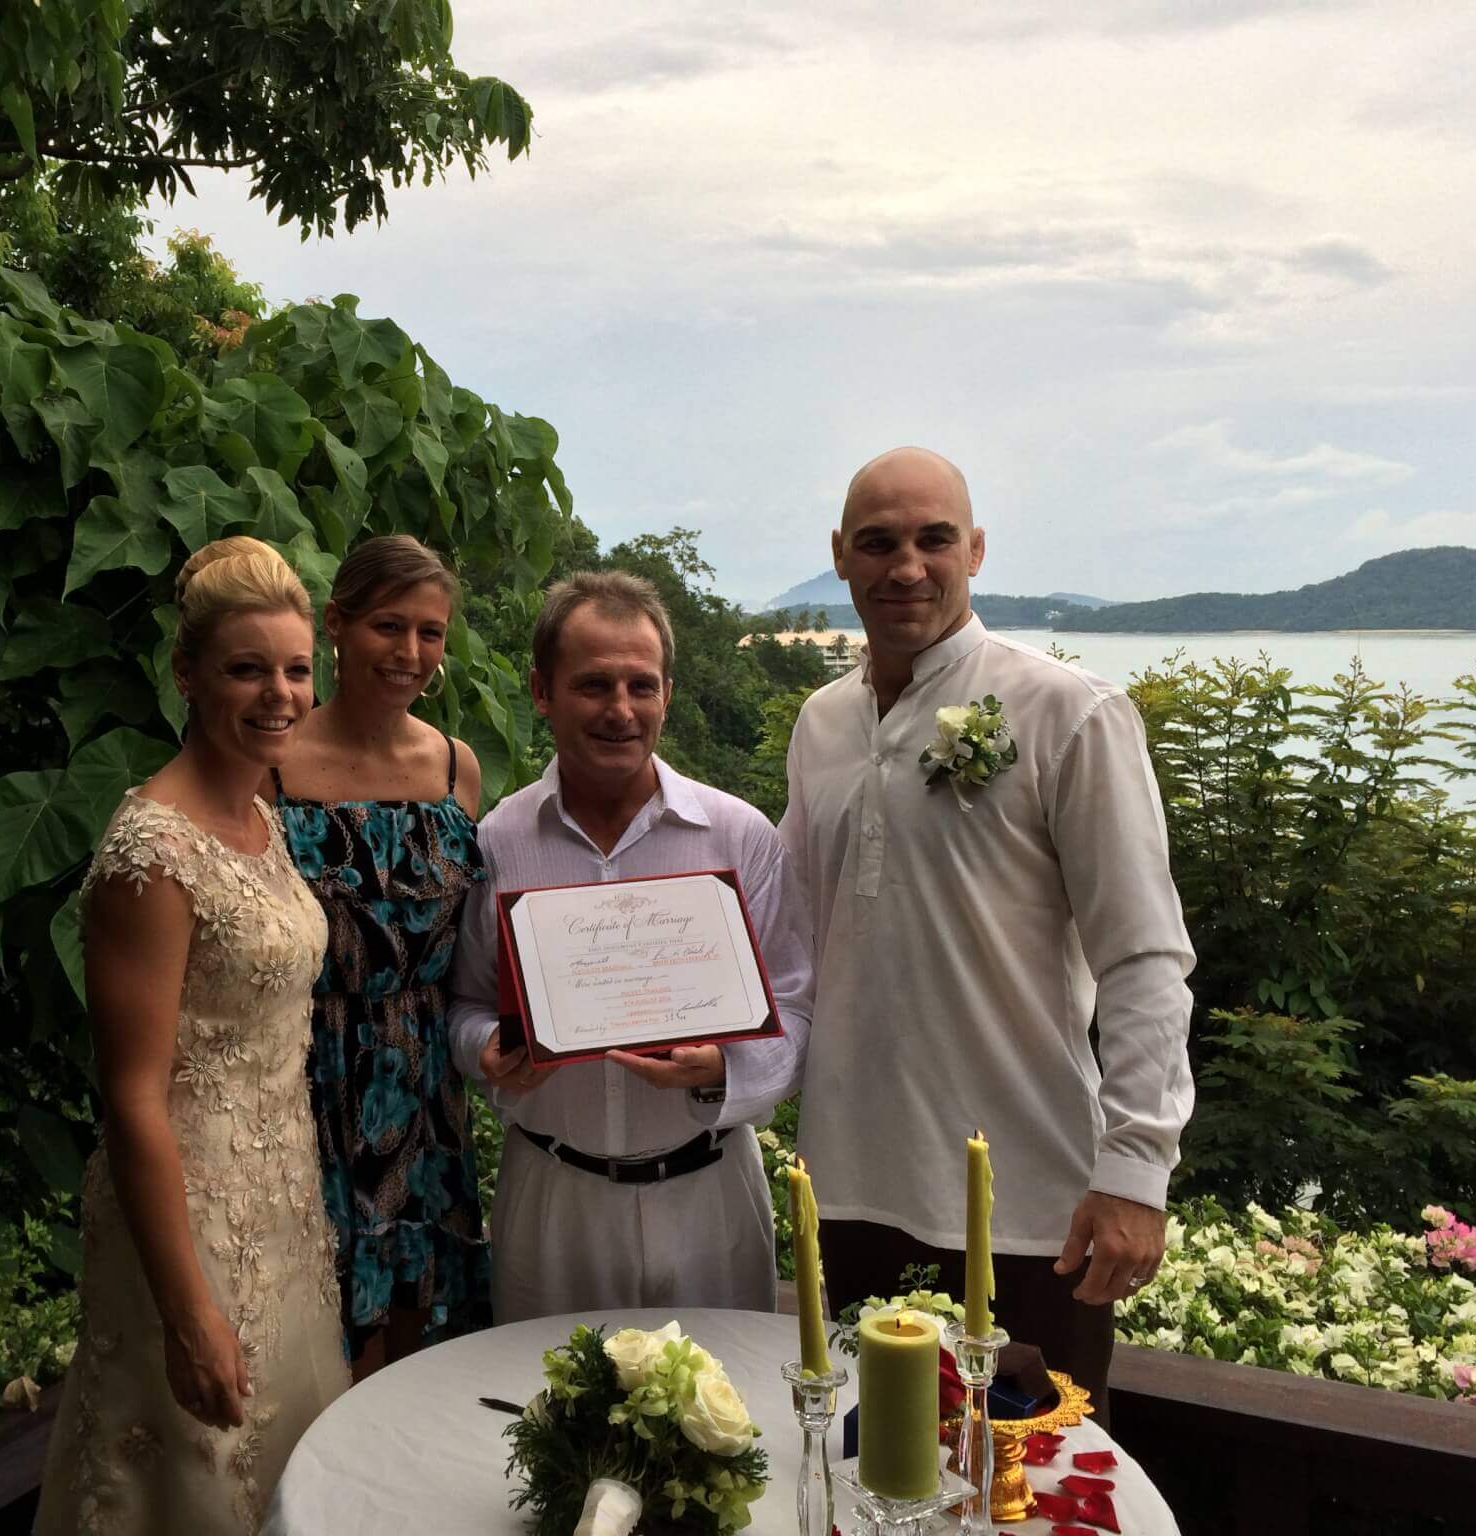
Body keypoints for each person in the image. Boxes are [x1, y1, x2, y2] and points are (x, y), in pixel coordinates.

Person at [779, 447, 1196, 1415]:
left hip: (1029, 1205)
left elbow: (1143, 956)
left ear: (974, 549)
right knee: (865, 1468)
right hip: (847, 1192)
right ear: (839, 555)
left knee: (1034, 1479)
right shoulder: (820, 724)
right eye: (877, 543)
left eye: (933, 540)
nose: (906, 567)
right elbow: (791, 937)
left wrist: (1136, 1168)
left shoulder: (1068, 713)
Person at [35, 537, 349, 1536]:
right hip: (189, 1223)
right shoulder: (153, 853)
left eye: (295, 669)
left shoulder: (260, 815)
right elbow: (131, 1096)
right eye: (247, 669)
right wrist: (186, 1314)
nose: (279, 694)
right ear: (186, 673)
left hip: (282, 1201)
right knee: (190, 1475)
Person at [448, 571, 813, 1321]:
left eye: (641, 685)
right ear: (542, 691)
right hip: (553, 1203)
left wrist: (725, 1069)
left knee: (725, 1394)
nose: (620, 709)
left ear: (667, 695)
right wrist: (484, 1048)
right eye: (593, 685)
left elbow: (797, 1007)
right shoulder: (499, 841)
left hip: (710, 1200)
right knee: (539, 1391)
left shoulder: (739, 836)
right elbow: (465, 1003)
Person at [270, 535, 494, 1378]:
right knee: (322, 1323)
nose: (410, 652)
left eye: (430, 632)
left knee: (421, 1317)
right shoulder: (272, 763)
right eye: (388, 626)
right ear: (336, 624)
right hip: (310, 1071)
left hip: (425, 1078)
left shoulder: (455, 768)